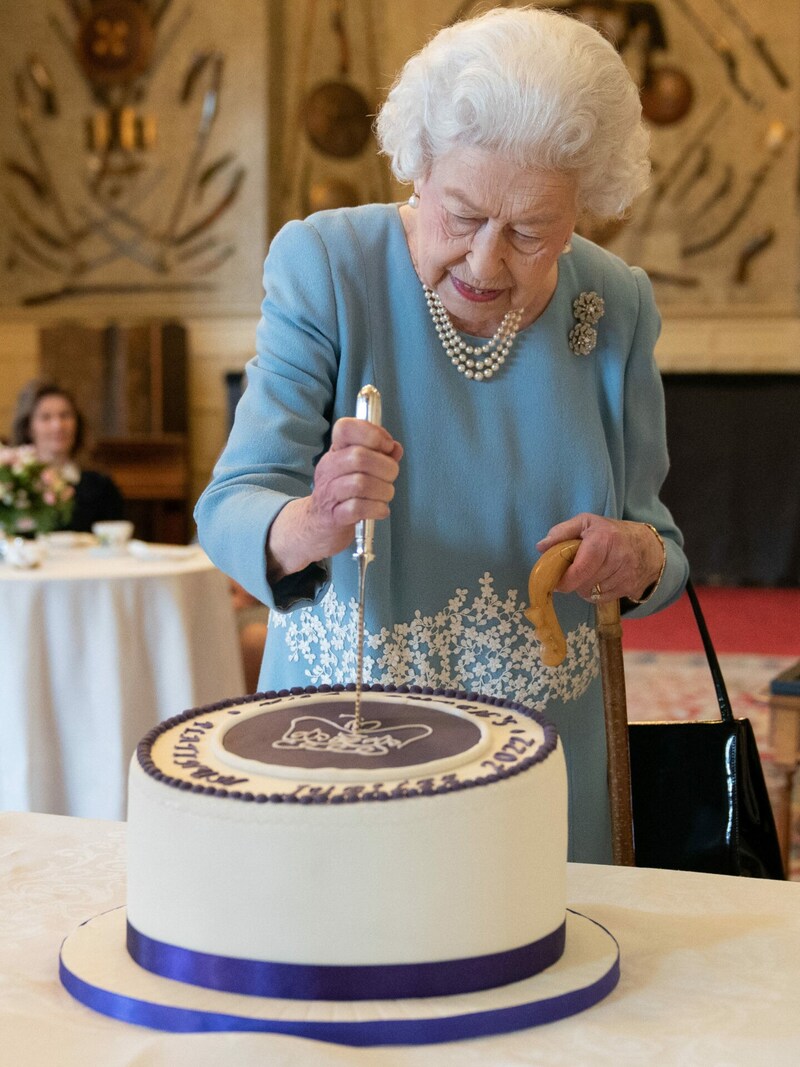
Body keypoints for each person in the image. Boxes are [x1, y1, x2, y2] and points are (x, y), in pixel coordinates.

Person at [195, 7, 689, 863]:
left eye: (532, 232)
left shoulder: (616, 302)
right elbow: (231, 507)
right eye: (461, 215)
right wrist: (313, 521)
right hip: (345, 755)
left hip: (543, 770)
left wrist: (637, 556)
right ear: (418, 169)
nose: (486, 263)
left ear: (586, 211)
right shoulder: (329, 265)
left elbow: (663, 543)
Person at [11, 381, 125, 533]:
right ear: (28, 428)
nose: (58, 425)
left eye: (65, 415)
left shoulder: (100, 485)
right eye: (46, 417)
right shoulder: (12, 484)